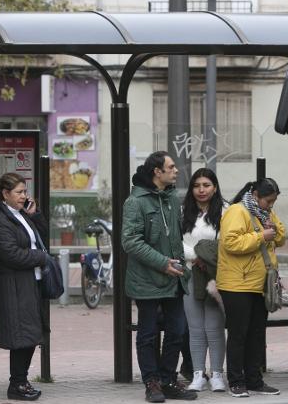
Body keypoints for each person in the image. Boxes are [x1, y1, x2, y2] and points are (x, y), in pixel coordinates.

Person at [122, 151, 197, 403]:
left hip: (174, 278)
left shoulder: (172, 198)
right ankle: (151, 383)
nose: (176, 171)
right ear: (157, 171)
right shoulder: (135, 201)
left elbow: (175, 238)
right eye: (171, 167)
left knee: (177, 331)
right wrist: (162, 263)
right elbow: (131, 242)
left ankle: (167, 380)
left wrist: (181, 266)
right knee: (148, 334)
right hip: (147, 281)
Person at [216, 178, 286, 398]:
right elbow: (231, 242)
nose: (271, 206)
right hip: (237, 284)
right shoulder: (237, 211)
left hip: (259, 283)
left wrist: (273, 230)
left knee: (256, 334)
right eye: (268, 201)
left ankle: (254, 380)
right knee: (239, 334)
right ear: (255, 195)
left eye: (273, 202)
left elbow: (281, 236)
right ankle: (236, 381)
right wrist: (260, 236)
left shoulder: (265, 214)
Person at [0, 173, 48, 401]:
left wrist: (36, 215)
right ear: (5, 194)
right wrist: (40, 258)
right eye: (19, 192)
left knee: (30, 334)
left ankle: (21, 382)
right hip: (14, 287)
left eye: (25, 191)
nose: (24, 196)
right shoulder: (1, 221)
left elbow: (41, 238)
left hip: (29, 284)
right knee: (23, 336)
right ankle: (17, 384)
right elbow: (11, 255)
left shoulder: (21, 214)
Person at [181, 168, 227, 392]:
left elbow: (228, 242)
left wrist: (208, 259)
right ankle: (198, 374)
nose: (201, 190)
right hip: (190, 272)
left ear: (215, 187)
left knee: (215, 326)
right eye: (197, 186)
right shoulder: (182, 211)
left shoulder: (226, 211)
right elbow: (175, 242)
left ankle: (218, 374)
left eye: (206, 185)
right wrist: (196, 256)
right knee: (195, 327)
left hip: (216, 276)